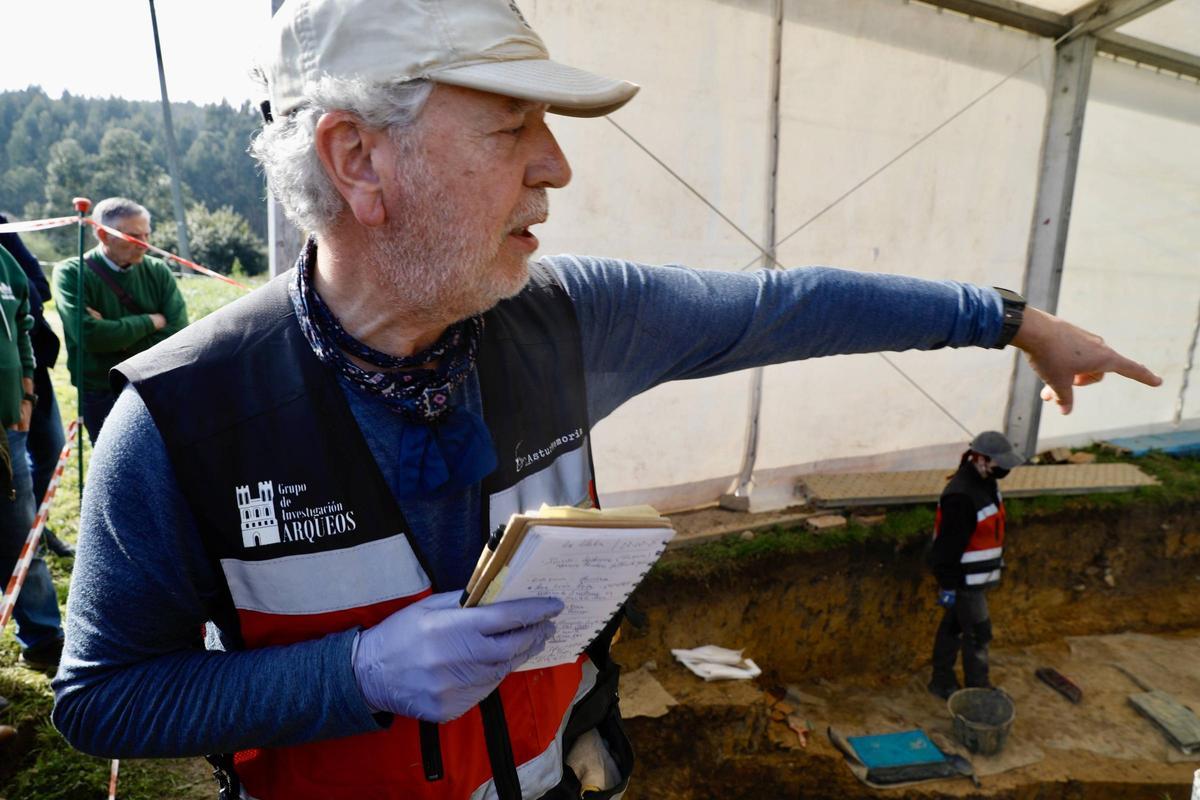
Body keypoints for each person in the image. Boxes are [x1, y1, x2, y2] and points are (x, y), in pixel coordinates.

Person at [51, 1, 1161, 798]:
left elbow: (782, 307)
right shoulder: (184, 417)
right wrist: (352, 673)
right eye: (510, 127)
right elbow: (103, 700)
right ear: (359, 160)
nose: (557, 166)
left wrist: (1009, 318)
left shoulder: (573, 319)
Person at [52, 197, 188, 444]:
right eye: (134, 236)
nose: (144, 244)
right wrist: (150, 322)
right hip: (101, 391)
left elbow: (177, 333)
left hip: (154, 382)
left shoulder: (158, 271)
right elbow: (89, 336)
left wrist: (116, 336)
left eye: (147, 235)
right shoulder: (72, 273)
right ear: (104, 235)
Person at [0, 243, 65, 678]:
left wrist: (26, 389)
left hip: (8, 430)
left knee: (22, 535)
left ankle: (43, 638)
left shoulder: (5, 260)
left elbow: (24, 323)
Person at [927, 431, 1024, 700]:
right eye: (999, 462)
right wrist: (948, 585)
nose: (1003, 469)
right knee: (979, 634)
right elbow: (947, 548)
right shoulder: (961, 496)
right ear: (981, 459)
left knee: (954, 627)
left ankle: (942, 681)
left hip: (972, 578)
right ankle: (978, 690)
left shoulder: (984, 482)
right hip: (964, 579)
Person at [0, 213, 73, 557]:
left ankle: (37, 527)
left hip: (31, 366)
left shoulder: (3, 227)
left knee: (52, 450)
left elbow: (38, 289)